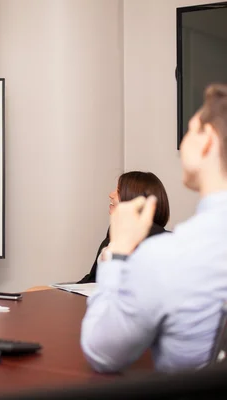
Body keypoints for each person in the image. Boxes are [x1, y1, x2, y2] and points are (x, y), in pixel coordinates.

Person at [81, 83, 227, 373]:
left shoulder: (169, 256)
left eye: (189, 130)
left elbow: (101, 351)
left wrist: (118, 250)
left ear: (208, 141)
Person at [78, 171, 170, 283]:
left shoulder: (158, 245)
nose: (111, 195)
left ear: (134, 199)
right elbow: (93, 279)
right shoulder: (114, 233)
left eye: (118, 191)